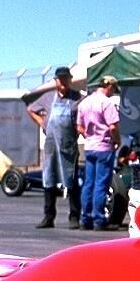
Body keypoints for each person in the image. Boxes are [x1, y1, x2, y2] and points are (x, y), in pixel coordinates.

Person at [26, 66, 83, 228]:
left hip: (68, 146)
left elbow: (83, 117)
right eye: (60, 79)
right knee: (49, 180)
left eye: (66, 78)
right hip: (51, 145)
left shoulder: (77, 98)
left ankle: (74, 217)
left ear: (70, 80)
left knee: (71, 181)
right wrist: (41, 123)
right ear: (56, 81)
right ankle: (48, 217)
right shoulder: (48, 98)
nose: (63, 82)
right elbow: (31, 109)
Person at [77, 74, 121, 231]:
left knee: (89, 183)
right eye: (113, 89)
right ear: (109, 86)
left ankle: (85, 218)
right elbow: (113, 127)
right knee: (101, 184)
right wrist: (117, 140)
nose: (113, 92)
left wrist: (89, 136)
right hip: (104, 147)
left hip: (90, 147)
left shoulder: (85, 103)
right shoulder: (107, 103)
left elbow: (79, 127)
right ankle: (98, 219)